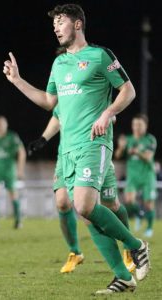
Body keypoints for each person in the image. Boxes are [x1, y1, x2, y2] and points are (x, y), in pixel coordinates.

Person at [3, 3, 150, 294]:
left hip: (94, 142)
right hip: (67, 148)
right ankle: (122, 276)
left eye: (61, 21)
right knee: (86, 213)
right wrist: (18, 81)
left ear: (78, 24)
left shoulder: (99, 55)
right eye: (54, 24)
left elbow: (128, 90)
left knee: (84, 204)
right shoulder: (59, 63)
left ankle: (137, 246)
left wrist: (107, 114)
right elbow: (49, 102)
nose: (56, 27)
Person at [28, 105, 135, 273]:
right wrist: (43, 138)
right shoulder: (64, 92)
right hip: (66, 157)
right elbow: (57, 115)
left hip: (93, 152)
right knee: (63, 203)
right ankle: (75, 252)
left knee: (110, 204)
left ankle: (130, 247)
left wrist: (106, 117)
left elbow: (113, 112)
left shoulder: (93, 86)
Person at [115, 114, 157, 237]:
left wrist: (137, 152)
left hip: (147, 175)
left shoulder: (150, 139)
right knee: (128, 201)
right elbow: (117, 156)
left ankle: (149, 228)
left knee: (148, 204)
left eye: (139, 125)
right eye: (134, 124)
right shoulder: (127, 139)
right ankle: (139, 214)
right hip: (132, 176)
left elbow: (148, 157)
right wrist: (121, 148)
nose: (136, 127)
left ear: (145, 126)